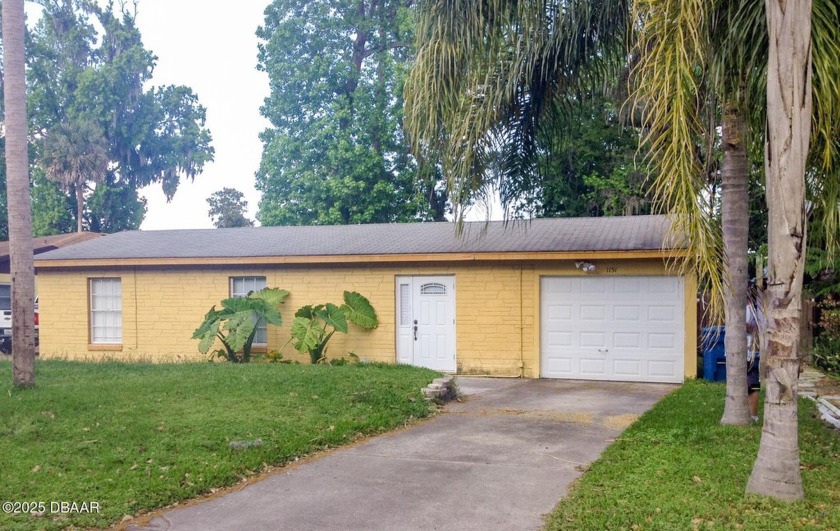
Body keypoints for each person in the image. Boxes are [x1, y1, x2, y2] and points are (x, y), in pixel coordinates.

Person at [745, 289, 764, 422]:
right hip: (742, 352)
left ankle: (753, 416)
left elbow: (755, 327)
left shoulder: (754, 308)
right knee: (745, 385)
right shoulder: (748, 307)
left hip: (751, 351)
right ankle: (749, 415)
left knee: (753, 385)